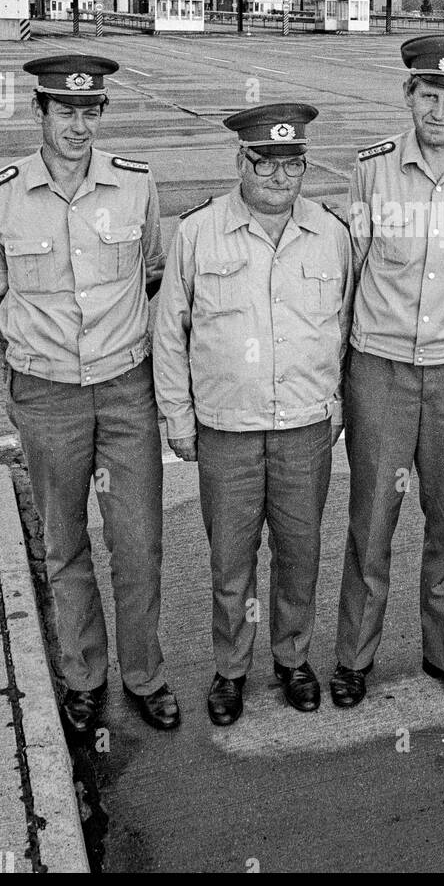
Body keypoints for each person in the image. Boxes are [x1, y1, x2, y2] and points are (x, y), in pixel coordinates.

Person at [0, 53, 179, 734]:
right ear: (40, 113)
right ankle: (83, 676)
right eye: (65, 111)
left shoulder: (134, 186)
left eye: (89, 112)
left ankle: (144, 674)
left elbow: (150, 272)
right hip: (48, 395)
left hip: (125, 389)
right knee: (65, 545)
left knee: (138, 541)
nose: (78, 125)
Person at [331, 35, 444, 711]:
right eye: (428, 94)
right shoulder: (372, 169)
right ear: (408, 96)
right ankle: (354, 658)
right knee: (371, 522)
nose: (439, 108)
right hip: (379, 370)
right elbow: (352, 267)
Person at [153, 103, 353, 723]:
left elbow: (345, 332)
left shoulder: (331, 234)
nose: (278, 177)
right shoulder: (197, 232)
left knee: (300, 553)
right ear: (242, 161)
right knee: (231, 562)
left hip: (303, 429)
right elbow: (170, 333)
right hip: (227, 430)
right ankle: (230, 670)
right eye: (265, 163)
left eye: (291, 165)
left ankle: (293, 659)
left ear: (304, 168)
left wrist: (335, 410)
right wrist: (178, 420)